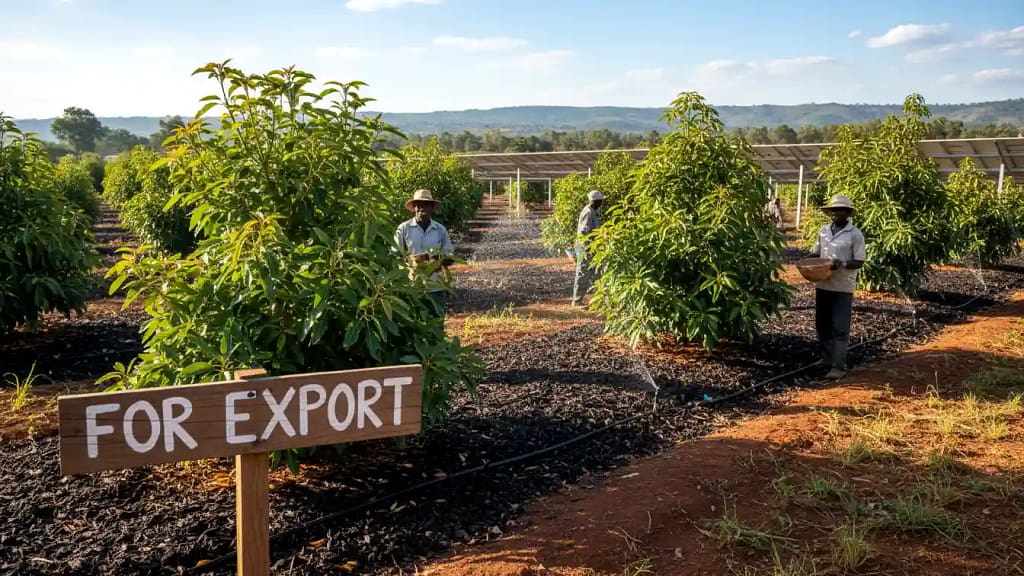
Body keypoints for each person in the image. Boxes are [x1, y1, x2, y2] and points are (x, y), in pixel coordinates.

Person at [810, 194, 867, 380]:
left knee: (840, 327)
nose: (836, 213)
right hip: (824, 284)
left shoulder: (855, 234)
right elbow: (816, 253)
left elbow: (859, 261)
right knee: (822, 325)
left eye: (840, 210)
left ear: (848, 213)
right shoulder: (824, 231)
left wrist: (841, 263)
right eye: (833, 210)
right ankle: (826, 359)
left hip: (842, 287)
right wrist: (808, 262)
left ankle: (839, 366)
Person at [394, 189, 454, 318]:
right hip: (412, 287)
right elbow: (394, 255)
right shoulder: (404, 229)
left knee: (437, 324)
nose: (422, 207)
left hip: (436, 287)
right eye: (419, 204)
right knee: (414, 325)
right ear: (414, 207)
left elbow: (450, 257)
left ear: (432, 207)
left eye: (426, 204)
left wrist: (432, 259)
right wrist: (412, 261)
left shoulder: (440, 230)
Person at [572, 189, 604, 307]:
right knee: (583, 273)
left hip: (589, 246)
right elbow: (584, 232)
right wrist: (592, 242)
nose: (601, 204)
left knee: (596, 273)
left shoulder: (591, 211)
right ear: (595, 201)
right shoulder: (589, 212)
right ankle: (577, 301)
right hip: (585, 247)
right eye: (600, 201)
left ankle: (598, 300)